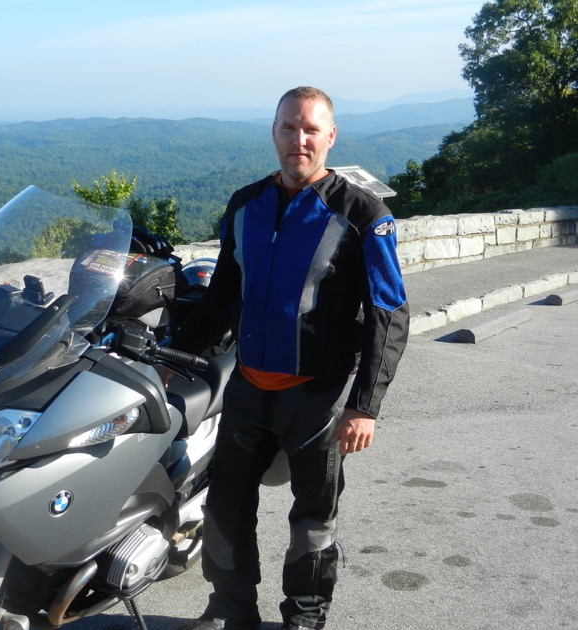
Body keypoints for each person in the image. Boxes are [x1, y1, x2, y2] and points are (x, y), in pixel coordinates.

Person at [167, 86, 409, 629]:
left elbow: (389, 312)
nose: (298, 139)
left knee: (313, 520)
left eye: (310, 129)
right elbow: (220, 299)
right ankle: (230, 610)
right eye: (288, 127)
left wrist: (365, 404)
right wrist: (172, 358)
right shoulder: (245, 205)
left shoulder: (362, 212)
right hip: (248, 390)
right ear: (274, 132)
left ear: (330, 136)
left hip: (317, 398)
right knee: (224, 509)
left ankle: (304, 617)